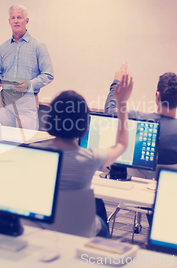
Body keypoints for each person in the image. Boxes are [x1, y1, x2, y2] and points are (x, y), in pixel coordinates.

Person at [40, 72, 133, 237]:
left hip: (41, 228)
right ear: (84, 123)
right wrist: (122, 103)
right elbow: (122, 144)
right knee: (99, 214)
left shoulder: (35, 153)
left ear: (52, 117)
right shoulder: (90, 159)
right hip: (79, 232)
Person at [105, 64, 177, 171]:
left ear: (157, 96)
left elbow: (109, 113)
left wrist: (116, 83)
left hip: (134, 185)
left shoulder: (135, 119)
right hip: (169, 187)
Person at [0, 4, 54, 130]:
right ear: (9, 21)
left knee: (26, 140)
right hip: (5, 98)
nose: (16, 20)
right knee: (3, 137)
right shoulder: (3, 48)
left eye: (19, 17)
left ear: (26, 20)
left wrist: (29, 84)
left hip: (27, 98)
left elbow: (48, 74)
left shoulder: (38, 46)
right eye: (13, 18)